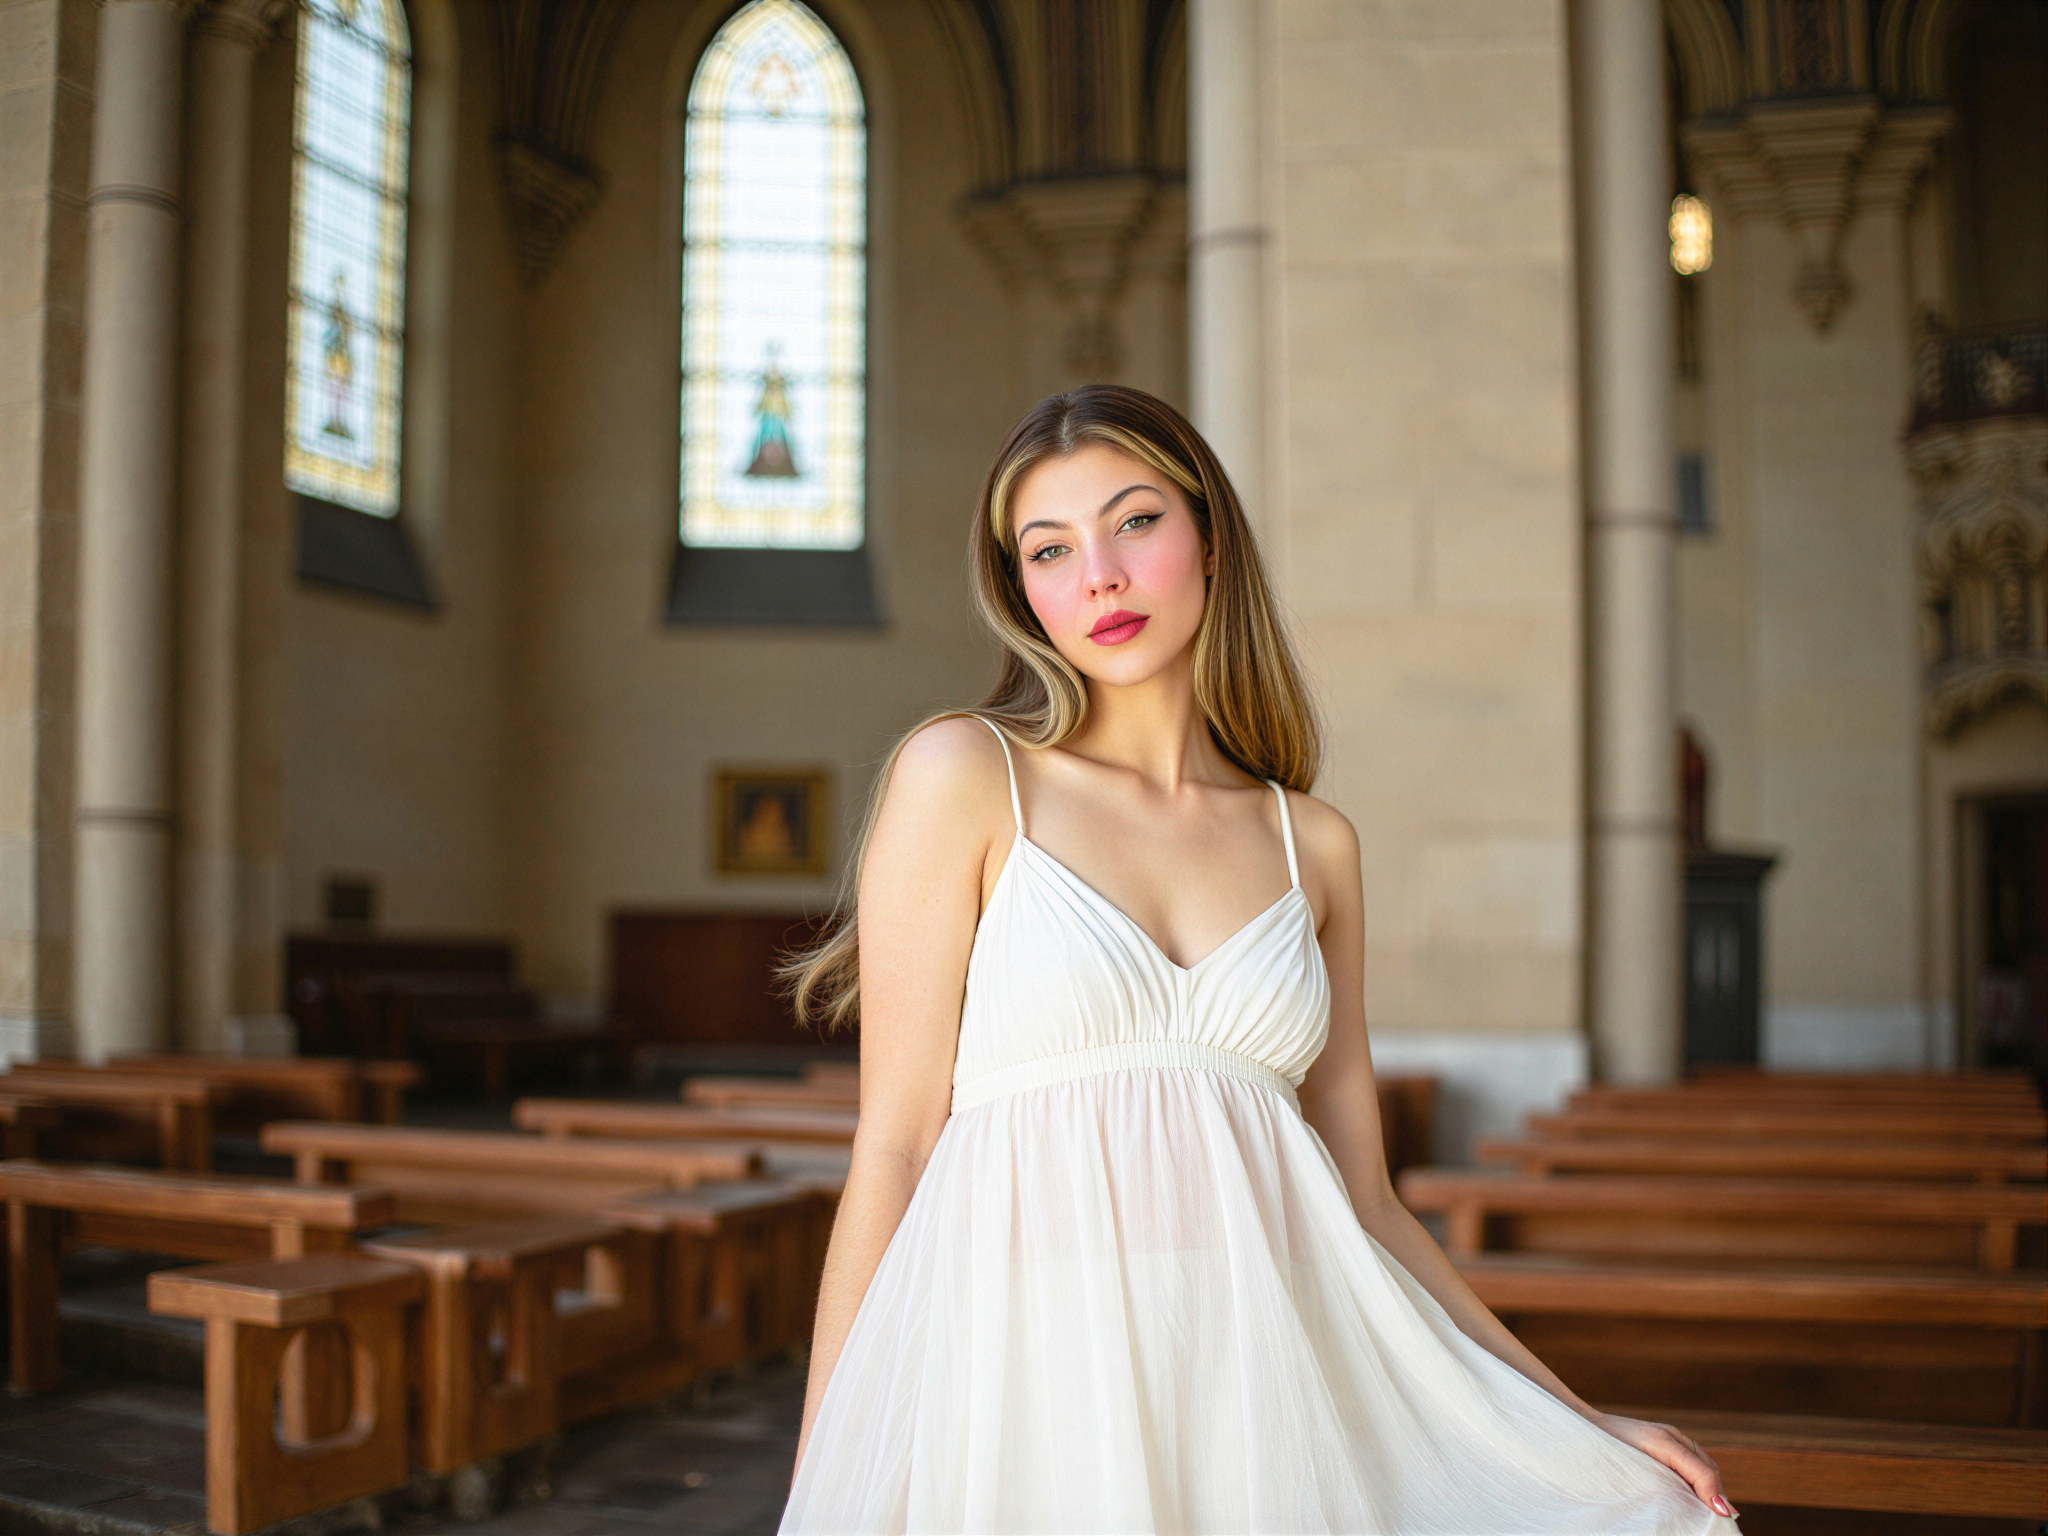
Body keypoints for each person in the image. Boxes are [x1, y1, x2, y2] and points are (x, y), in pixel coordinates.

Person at [776, 385, 1739, 1534]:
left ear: (1210, 540)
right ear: (1020, 589)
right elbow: (893, 1146)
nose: (1100, 577)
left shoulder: (1311, 845)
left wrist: (1574, 1419)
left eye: (1134, 522)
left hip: (1257, 1371)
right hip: (1026, 1369)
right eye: (1049, 548)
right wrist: (824, 1473)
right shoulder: (968, 777)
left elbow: (1368, 1204)